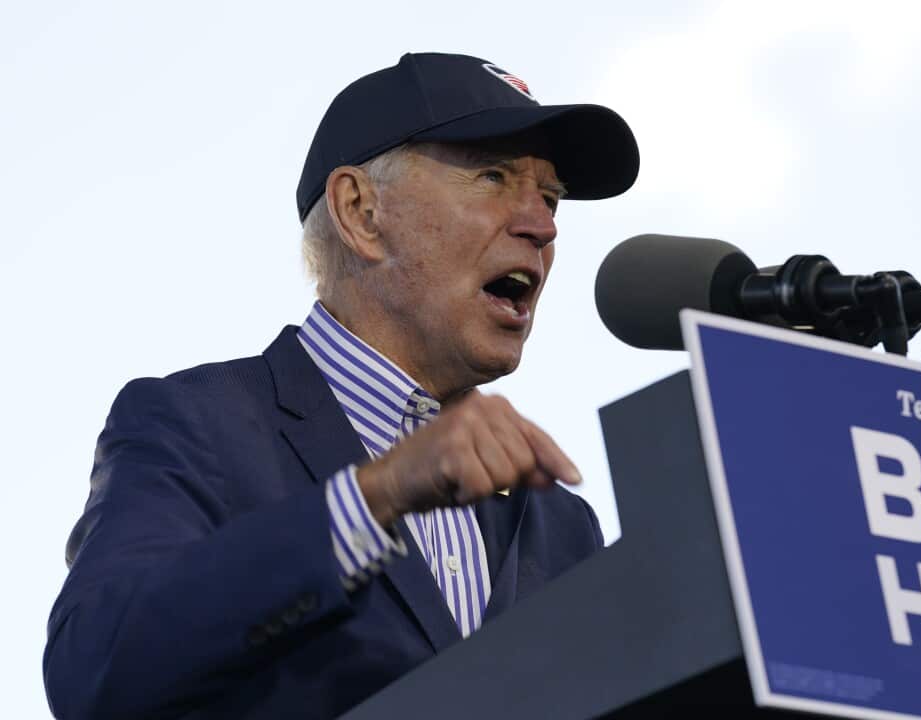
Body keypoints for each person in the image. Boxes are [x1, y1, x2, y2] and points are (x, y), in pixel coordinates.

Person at [43, 52, 640, 719]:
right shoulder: (197, 424)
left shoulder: (562, 525)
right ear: (360, 211)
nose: (543, 225)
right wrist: (374, 496)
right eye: (493, 176)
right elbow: (95, 673)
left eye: (551, 198)